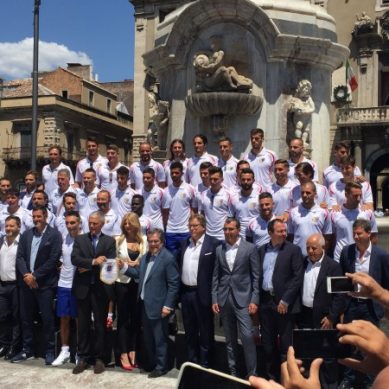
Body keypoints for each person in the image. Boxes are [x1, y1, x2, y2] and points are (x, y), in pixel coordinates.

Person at [118, 228, 180, 378]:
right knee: (148, 338)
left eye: (156, 241)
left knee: (159, 339)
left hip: (159, 307)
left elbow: (174, 284)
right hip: (145, 305)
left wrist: (168, 306)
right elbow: (138, 274)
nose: (153, 244)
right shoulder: (146, 257)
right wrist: (124, 267)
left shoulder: (168, 258)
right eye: (150, 241)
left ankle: (161, 366)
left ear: (162, 242)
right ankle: (152, 363)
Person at [338, 219, 389, 388]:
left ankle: (369, 381)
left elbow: (386, 282)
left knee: (369, 345)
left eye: (359, 233)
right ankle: (348, 378)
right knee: (349, 342)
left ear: (369, 234)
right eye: (354, 233)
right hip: (352, 304)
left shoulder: (381, 255)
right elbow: (342, 280)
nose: (356, 236)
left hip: (371, 307)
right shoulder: (347, 252)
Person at [12, 206, 62, 364]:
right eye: (34, 217)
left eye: (39, 217)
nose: (36, 219)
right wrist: (27, 275)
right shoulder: (26, 235)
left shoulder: (54, 235)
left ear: (46, 216)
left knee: (47, 319)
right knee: (26, 318)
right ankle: (27, 350)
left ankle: (49, 350)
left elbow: (53, 260)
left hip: (45, 285)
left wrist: (35, 276)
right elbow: (19, 257)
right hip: (26, 284)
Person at [212, 217, 260, 378]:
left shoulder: (250, 248)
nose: (227, 232)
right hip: (224, 299)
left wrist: (254, 299)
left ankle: (251, 373)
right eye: (225, 229)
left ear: (238, 230)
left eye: (231, 229)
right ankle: (233, 373)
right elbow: (216, 276)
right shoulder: (220, 249)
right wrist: (214, 299)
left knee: (247, 337)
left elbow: (256, 276)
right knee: (229, 340)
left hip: (244, 300)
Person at [71, 211, 116, 374]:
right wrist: (93, 262)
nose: (91, 226)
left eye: (95, 223)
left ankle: (99, 358)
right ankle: (82, 357)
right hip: (82, 289)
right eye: (90, 223)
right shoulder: (81, 239)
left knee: (99, 325)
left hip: (100, 289)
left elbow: (110, 263)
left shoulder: (109, 241)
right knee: (82, 325)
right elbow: (75, 259)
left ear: (102, 224)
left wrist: (87, 267)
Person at [258, 219, 304, 380]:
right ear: (270, 233)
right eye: (280, 231)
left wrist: (285, 300)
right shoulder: (262, 250)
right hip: (266, 303)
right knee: (268, 346)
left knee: (286, 347)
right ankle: (272, 379)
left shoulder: (293, 250)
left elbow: (298, 277)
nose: (285, 233)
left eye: (285, 230)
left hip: (284, 305)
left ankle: (287, 380)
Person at [178, 214, 218, 368]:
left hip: (203, 294)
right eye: (190, 226)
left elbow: (216, 272)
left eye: (195, 226)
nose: (192, 229)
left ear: (203, 227)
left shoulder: (212, 244)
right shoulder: (184, 244)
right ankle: (192, 363)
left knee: (206, 330)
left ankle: (206, 364)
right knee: (189, 330)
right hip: (186, 293)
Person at [115, 212, 148, 370]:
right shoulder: (118, 240)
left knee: (135, 318)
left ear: (136, 225)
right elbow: (114, 261)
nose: (127, 226)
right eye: (125, 224)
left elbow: (146, 261)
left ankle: (133, 349)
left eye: (130, 223)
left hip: (137, 284)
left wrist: (134, 263)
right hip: (121, 283)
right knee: (122, 319)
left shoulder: (144, 241)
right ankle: (123, 352)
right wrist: (128, 263)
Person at [51, 211, 82, 366]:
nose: (70, 226)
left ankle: (79, 353)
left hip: (78, 286)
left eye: (73, 223)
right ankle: (65, 350)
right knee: (64, 318)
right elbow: (59, 258)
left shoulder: (85, 240)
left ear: (79, 223)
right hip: (63, 284)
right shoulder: (63, 239)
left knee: (78, 320)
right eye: (67, 223)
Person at [331, 182, 378, 262]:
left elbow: (373, 237)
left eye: (360, 195)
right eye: (355, 196)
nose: (359, 199)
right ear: (346, 195)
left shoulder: (367, 213)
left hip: (362, 259)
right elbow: (331, 237)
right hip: (339, 259)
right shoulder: (334, 214)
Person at [288, 181, 332, 257]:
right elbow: (291, 236)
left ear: (315, 194)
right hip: (298, 257)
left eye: (308, 193)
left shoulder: (323, 212)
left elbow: (327, 237)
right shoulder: (293, 212)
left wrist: (322, 253)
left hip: (316, 257)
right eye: (302, 193)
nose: (305, 195)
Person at [162, 161, 196, 255]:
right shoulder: (166, 191)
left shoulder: (190, 189)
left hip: (185, 231)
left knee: (185, 259)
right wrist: (165, 230)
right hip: (170, 232)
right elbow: (165, 213)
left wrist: (191, 227)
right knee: (171, 260)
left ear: (182, 173)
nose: (174, 175)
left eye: (177, 173)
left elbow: (193, 210)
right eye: (172, 173)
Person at [0, 216, 21, 360]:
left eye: (11, 226)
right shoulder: (1, 242)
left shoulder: (22, 242)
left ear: (18, 227)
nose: (8, 228)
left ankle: (14, 346)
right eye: (7, 226)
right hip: (2, 285)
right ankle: (4, 344)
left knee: (15, 317)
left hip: (16, 285)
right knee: (2, 316)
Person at [199, 166, 233, 241]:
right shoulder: (204, 194)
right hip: (207, 236)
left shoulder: (228, 195)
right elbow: (202, 214)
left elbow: (231, 217)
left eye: (216, 179)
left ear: (222, 179)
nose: (213, 182)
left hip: (222, 237)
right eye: (211, 179)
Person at [230, 167, 262, 238]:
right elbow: (231, 217)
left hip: (256, 236)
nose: (246, 182)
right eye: (243, 180)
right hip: (240, 237)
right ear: (240, 180)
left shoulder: (259, 198)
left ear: (253, 180)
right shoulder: (234, 198)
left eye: (248, 179)